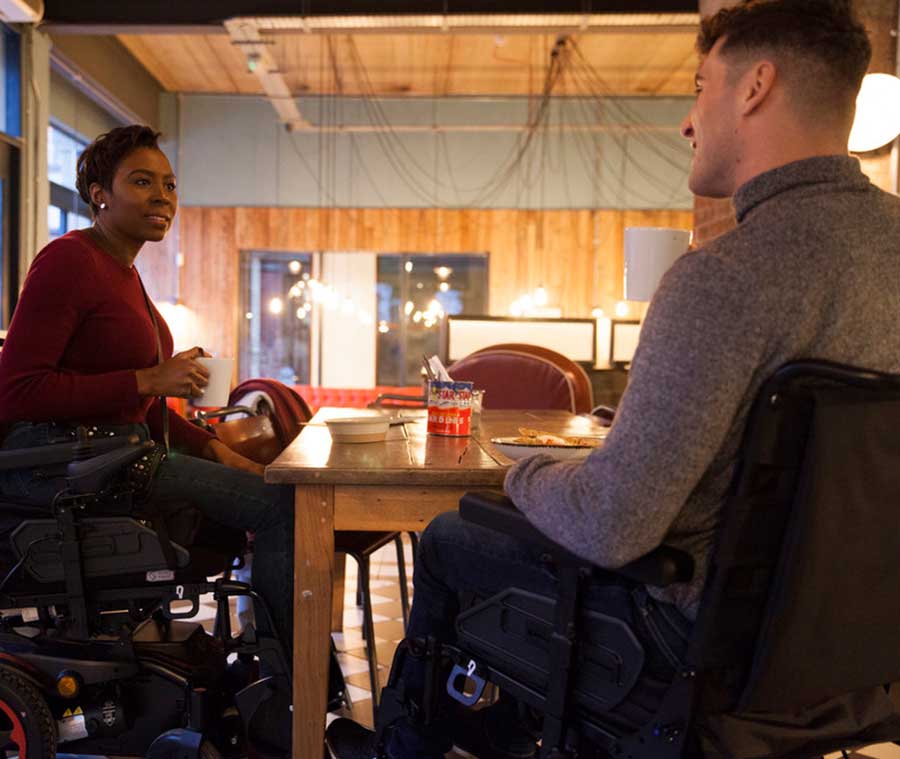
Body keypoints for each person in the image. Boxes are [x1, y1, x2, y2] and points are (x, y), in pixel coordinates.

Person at [327, 1, 900, 757]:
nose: (689, 121)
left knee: (447, 536)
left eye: (701, 88)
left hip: (691, 651)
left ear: (756, 87)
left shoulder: (723, 278)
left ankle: (412, 742)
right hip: (865, 656)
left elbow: (612, 523)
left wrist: (525, 471)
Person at [0, 126, 296, 668]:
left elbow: (142, 404)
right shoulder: (69, 260)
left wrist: (216, 449)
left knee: (263, 498)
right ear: (99, 194)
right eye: (142, 182)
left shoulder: (124, 272)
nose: (163, 196)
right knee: (282, 512)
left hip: (122, 455)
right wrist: (147, 379)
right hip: (80, 471)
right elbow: (17, 391)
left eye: (170, 184)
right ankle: (280, 679)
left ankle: (234, 661)